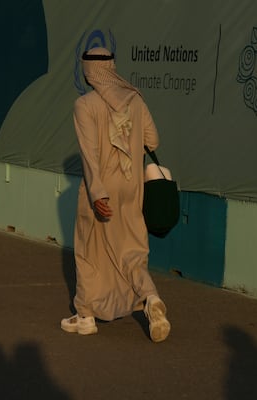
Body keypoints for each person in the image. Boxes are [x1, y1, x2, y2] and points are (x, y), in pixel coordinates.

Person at [60, 47, 170, 342]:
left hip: (103, 190)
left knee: (88, 250)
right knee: (133, 251)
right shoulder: (134, 99)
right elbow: (153, 140)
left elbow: (89, 154)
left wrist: (97, 193)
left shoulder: (84, 105)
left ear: (88, 71)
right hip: (132, 188)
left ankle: (85, 316)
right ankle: (150, 298)